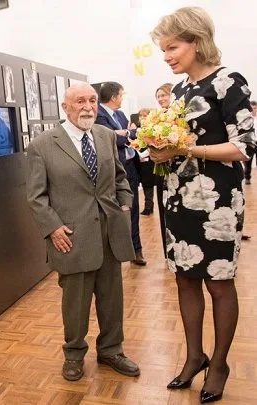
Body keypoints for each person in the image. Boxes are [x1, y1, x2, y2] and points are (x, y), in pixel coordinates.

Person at [150, 7, 256, 403]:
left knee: (219, 283)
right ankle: (194, 355)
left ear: (196, 42)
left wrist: (184, 148)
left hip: (217, 203)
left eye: (172, 47)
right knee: (184, 277)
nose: (167, 56)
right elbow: (178, 140)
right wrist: (161, 149)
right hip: (177, 196)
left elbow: (244, 147)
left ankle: (221, 363)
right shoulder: (179, 90)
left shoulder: (229, 81)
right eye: (163, 50)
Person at [26, 82, 140, 382]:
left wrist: (125, 204)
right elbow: (36, 197)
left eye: (91, 100)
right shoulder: (43, 145)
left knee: (112, 298)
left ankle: (111, 350)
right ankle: (74, 355)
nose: (88, 106)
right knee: (75, 303)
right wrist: (52, 228)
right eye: (80, 101)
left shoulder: (103, 135)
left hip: (109, 233)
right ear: (65, 107)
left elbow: (119, 176)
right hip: (71, 238)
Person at [95, 82, 147, 266]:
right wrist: (126, 133)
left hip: (131, 166)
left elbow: (134, 134)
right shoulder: (98, 115)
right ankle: (117, 253)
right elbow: (111, 139)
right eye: (121, 95)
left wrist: (125, 132)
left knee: (132, 209)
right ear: (114, 96)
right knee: (116, 212)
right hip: (114, 171)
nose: (122, 98)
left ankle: (136, 249)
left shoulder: (120, 114)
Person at [154, 83, 174, 258]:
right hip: (161, 169)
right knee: (163, 208)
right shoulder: (155, 117)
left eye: (164, 95)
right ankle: (167, 250)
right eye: (158, 96)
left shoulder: (180, 116)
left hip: (177, 169)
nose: (161, 99)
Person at [244, 100, 257, 184]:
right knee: (248, 162)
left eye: (255, 108)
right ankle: (247, 178)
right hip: (250, 143)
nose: (253, 110)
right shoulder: (246, 119)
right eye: (252, 108)